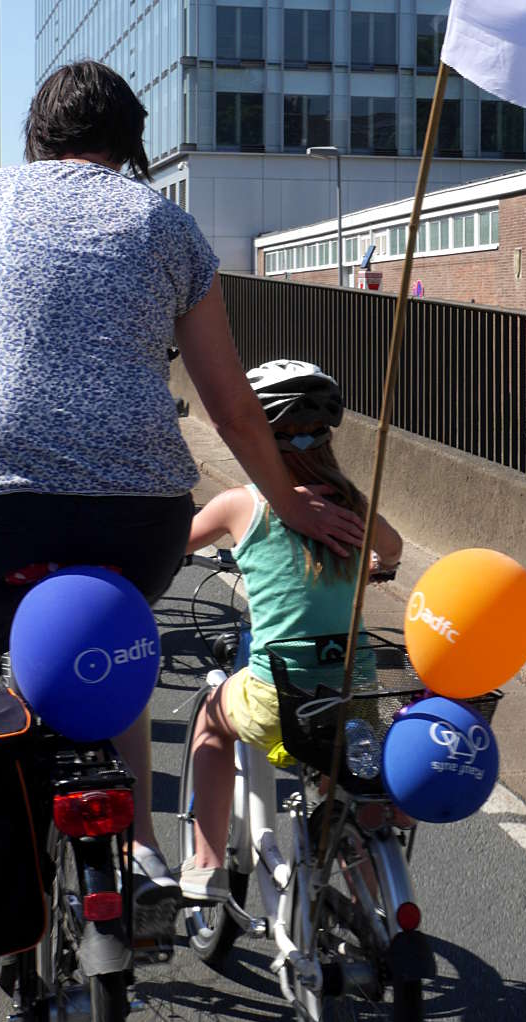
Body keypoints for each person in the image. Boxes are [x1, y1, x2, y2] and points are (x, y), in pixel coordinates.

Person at [0, 60, 360, 966]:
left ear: (35, 136)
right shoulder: (167, 224)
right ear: (130, 146)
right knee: (118, 651)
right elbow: (231, 408)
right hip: (137, 512)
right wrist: (291, 505)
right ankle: (137, 849)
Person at [177, 360, 403, 902]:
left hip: (277, 694)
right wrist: (371, 562)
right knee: (342, 781)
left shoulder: (241, 505)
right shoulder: (352, 500)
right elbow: (392, 550)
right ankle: (377, 907)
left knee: (211, 720)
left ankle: (205, 864)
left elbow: (176, 543)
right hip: (357, 690)